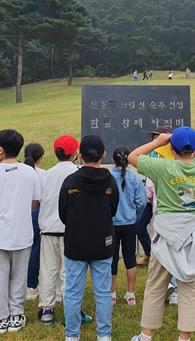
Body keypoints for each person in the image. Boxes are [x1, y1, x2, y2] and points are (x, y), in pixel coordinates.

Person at [129, 127, 195, 341]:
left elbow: (132, 157)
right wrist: (192, 135)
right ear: (193, 147)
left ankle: (145, 336)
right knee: (189, 291)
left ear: (171, 148)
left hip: (166, 235)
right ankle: (184, 338)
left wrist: (159, 142)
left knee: (155, 286)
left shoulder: (162, 167)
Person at [0, 129, 42, 334]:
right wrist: (20, 213)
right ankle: (16, 315)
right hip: (21, 231)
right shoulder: (29, 172)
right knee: (19, 276)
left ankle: (0, 319)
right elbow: (35, 200)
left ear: (1, 150)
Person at [59, 135, 119, 341]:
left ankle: (72, 335)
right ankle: (104, 335)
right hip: (103, 242)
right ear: (103, 155)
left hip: (75, 242)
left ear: (79, 154)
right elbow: (113, 209)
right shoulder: (110, 181)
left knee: (73, 291)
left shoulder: (70, 181)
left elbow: (63, 213)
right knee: (103, 292)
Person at [37, 135, 80, 325]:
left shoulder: (47, 174)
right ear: (74, 153)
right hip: (70, 228)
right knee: (69, 271)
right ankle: (71, 311)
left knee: (48, 270)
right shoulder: (77, 172)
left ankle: (47, 309)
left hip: (47, 227)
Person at [111, 146, 146, 306]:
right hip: (129, 223)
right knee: (130, 257)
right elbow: (142, 202)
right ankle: (130, 294)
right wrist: (134, 215)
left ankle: (112, 293)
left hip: (112, 224)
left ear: (113, 160)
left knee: (112, 259)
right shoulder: (134, 179)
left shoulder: (109, 178)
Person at [137, 127, 172, 268]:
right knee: (139, 227)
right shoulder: (150, 153)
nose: (156, 140)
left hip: (164, 199)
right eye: (154, 137)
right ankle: (149, 254)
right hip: (150, 198)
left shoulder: (172, 154)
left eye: (158, 137)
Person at [24, 143, 46, 301]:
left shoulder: (17, 171)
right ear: (41, 158)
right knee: (35, 249)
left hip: (17, 213)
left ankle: (20, 284)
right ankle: (31, 285)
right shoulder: (43, 174)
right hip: (36, 211)